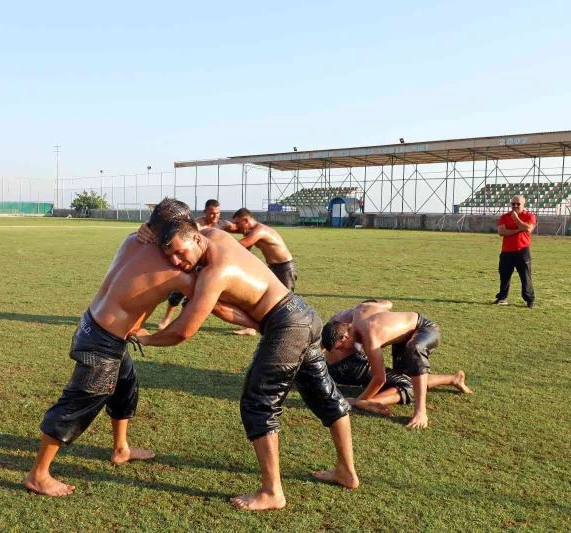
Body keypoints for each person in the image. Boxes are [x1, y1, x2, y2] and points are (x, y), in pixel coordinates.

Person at [137, 200, 357, 511]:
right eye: (169, 254)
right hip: (303, 314)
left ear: (195, 238)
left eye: (178, 252)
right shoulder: (214, 235)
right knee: (324, 394)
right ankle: (346, 472)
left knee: (258, 402)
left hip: (287, 324)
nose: (175, 260)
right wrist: (149, 229)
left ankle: (272, 492)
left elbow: (182, 332)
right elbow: (226, 306)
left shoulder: (214, 273)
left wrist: (146, 338)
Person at [24, 217, 257, 497]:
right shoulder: (178, 273)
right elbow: (214, 307)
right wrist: (260, 321)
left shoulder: (132, 241)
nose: (175, 257)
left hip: (96, 326)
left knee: (125, 388)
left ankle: (121, 449)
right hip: (103, 343)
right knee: (78, 403)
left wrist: (146, 228)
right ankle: (38, 475)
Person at [322, 301, 471, 416]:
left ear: (345, 336)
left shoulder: (370, 338)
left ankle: (420, 412)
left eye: (340, 347)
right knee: (406, 378)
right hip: (402, 337)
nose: (341, 350)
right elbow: (388, 303)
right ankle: (454, 379)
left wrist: (359, 400)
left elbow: (379, 378)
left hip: (424, 328)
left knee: (413, 358)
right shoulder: (359, 311)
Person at [156, 199, 237, 329]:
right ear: (205, 212)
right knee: (177, 293)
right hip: (191, 263)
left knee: (196, 297)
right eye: (212, 213)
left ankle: (182, 321)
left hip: (210, 265)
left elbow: (240, 228)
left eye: (218, 213)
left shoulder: (223, 224)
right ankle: (167, 318)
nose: (215, 216)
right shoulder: (196, 225)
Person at [229, 208, 296, 335]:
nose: (237, 227)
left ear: (246, 220)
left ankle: (291, 326)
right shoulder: (252, 232)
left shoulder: (260, 230)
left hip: (285, 268)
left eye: (238, 223)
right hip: (273, 268)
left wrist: (222, 245)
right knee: (262, 298)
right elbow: (244, 250)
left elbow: (240, 245)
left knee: (286, 301)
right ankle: (251, 328)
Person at [494, 195, 536, 308]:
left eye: (518, 204)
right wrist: (519, 229)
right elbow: (501, 232)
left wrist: (516, 218)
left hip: (522, 250)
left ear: (523, 204)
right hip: (507, 251)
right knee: (504, 276)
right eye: (513, 204)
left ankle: (529, 300)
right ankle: (502, 297)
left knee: (526, 276)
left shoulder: (529, 216)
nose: (515, 206)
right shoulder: (504, 217)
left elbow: (528, 228)